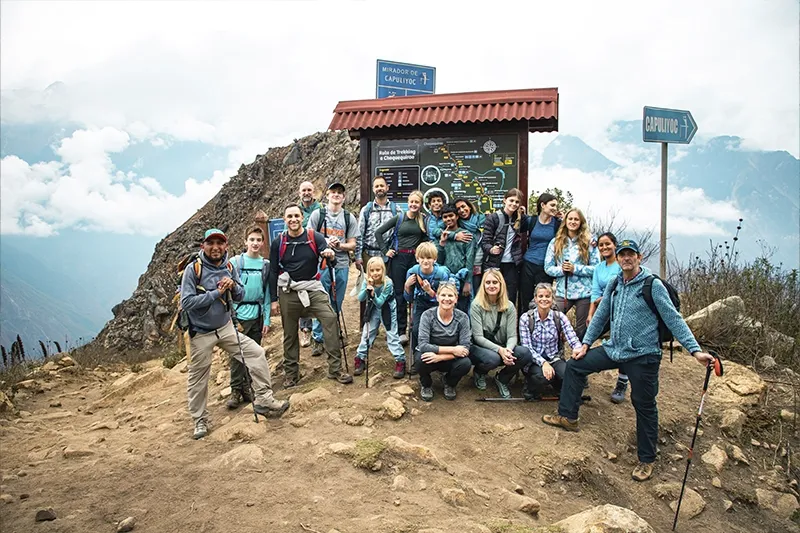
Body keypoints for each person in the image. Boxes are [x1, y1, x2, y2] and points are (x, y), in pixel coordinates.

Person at [541, 239, 715, 482]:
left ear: (639, 257)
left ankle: (646, 459)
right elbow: (601, 315)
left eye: (630, 254)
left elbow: (673, 319)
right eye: (622, 255)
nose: (626, 258)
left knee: (643, 403)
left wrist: (695, 351)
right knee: (576, 365)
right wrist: (586, 344)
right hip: (614, 349)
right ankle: (568, 416)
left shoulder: (651, 285)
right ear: (619, 258)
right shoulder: (615, 283)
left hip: (644, 355)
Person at [181, 228, 288, 439]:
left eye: (219, 243)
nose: (215, 248)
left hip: (225, 327)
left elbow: (240, 294)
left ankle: (264, 399)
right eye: (210, 243)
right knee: (198, 376)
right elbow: (186, 303)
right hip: (201, 332)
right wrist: (216, 293)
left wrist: (232, 286)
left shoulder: (229, 266)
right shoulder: (193, 270)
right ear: (203, 246)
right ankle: (199, 419)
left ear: (226, 246)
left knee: (256, 353)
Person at [270, 204, 353, 387]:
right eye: (289, 216)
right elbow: (273, 271)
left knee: (330, 318)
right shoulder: (278, 242)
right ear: (285, 219)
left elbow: (327, 253)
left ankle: (335, 369)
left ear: (302, 218)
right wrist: (273, 301)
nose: (293, 219)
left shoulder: (313, 236)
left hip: (312, 288)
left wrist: (329, 254)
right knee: (290, 332)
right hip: (288, 290)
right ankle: (291, 373)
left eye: (296, 216)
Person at [306, 182, 358, 356]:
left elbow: (352, 244)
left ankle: (332, 335)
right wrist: (324, 243)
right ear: (327, 195)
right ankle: (318, 338)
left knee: (337, 301)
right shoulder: (317, 214)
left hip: (341, 265)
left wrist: (340, 245)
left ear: (344, 197)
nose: (336, 195)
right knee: (320, 301)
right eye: (333, 192)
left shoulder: (349, 217)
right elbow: (308, 238)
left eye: (339, 193)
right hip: (320, 266)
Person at [226, 226, 272, 410]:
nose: (255, 243)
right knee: (237, 354)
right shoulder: (236, 262)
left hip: (257, 314)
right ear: (245, 241)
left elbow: (267, 293)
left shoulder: (265, 265)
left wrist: (267, 319)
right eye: (251, 239)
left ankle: (246, 388)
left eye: (258, 240)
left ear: (262, 243)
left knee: (253, 354)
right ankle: (235, 390)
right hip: (239, 315)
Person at [375, 189, 429, 345]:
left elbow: (425, 240)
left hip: (415, 260)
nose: (413, 204)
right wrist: (386, 251)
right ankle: (401, 331)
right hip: (399, 258)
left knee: (416, 292)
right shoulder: (399, 218)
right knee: (399, 294)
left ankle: (416, 328)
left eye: (416, 202)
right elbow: (378, 233)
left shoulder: (424, 220)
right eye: (411, 202)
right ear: (408, 203)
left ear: (421, 205)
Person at [469, 268, 533, 399]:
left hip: (503, 345)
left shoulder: (509, 306)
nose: (491, 285)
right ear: (483, 285)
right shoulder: (476, 305)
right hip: (481, 347)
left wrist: (508, 350)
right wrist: (500, 351)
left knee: (525, 354)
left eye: (495, 282)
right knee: (493, 358)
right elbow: (478, 337)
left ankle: (502, 378)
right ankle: (479, 372)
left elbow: (512, 336)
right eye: (488, 282)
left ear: (501, 285)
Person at [520, 283, 582, 400]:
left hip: (555, 358)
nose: (544, 299)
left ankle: (557, 384)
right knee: (541, 377)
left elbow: (572, 338)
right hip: (534, 361)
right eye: (541, 296)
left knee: (568, 375)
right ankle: (530, 387)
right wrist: (543, 363)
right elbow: (527, 347)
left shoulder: (559, 317)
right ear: (535, 299)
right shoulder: (526, 318)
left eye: (547, 296)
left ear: (552, 299)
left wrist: (578, 349)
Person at [544, 208, 599, 341]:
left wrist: (576, 269)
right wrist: (561, 270)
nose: (573, 222)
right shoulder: (555, 242)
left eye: (576, 219)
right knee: (554, 323)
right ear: (565, 221)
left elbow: (597, 268)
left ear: (581, 222)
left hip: (584, 293)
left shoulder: (589, 242)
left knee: (582, 330)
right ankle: (557, 355)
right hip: (563, 292)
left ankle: (580, 357)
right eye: (570, 219)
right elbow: (548, 267)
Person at [415, 282, 472, 401]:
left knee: (465, 363)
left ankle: (449, 382)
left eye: (450, 296)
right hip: (432, 354)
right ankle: (426, 384)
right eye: (443, 295)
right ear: (437, 297)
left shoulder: (463, 318)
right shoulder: (427, 315)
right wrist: (453, 350)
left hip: (449, 358)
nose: (447, 299)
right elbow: (423, 345)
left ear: (456, 299)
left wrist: (440, 357)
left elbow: (465, 347)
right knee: (420, 359)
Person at [587, 233, 627, 403]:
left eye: (607, 244)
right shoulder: (599, 268)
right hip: (603, 311)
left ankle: (622, 382)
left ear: (614, 245)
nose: (604, 248)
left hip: (621, 311)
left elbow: (622, 289)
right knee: (584, 335)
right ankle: (581, 374)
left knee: (621, 344)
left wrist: (604, 298)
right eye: (601, 245)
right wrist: (590, 314)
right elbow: (595, 291)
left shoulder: (621, 265)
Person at [355, 257, 406, 379]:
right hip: (372, 309)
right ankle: (360, 357)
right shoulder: (367, 281)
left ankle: (400, 360)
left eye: (378, 270)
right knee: (368, 333)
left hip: (387, 308)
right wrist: (367, 288)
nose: (375, 273)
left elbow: (380, 302)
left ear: (383, 270)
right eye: (372, 270)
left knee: (391, 334)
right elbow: (360, 298)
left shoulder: (387, 283)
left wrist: (373, 295)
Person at [403, 242, 454, 366]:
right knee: (416, 329)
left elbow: (446, 299)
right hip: (420, 303)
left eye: (429, 258)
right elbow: (408, 299)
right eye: (422, 258)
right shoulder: (412, 272)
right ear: (417, 259)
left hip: (438, 305)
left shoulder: (441, 274)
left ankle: (439, 356)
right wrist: (407, 286)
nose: (425, 261)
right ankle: (417, 357)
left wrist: (430, 291)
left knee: (437, 331)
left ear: (435, 259)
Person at [481, 189, 525, 305]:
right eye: (511, 200)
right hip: (495, 263)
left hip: (512, 264)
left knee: (510, 298)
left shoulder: (520, 219)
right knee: (492, 297)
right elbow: (485, 241)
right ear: (504, 200)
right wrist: (491, 249)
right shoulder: (494, 218)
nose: (514, 204)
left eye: (517, 202)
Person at [519, 192, 561, 312]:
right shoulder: (531, 221)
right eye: (552, 205)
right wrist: (520, 214)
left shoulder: (557, 224)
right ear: (543, 205)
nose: (554, 208)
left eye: (555, 206)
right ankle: (524, 327)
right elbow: (515, 227)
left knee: (543, 300)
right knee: (526, 299)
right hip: (528, 264)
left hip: (546, 267)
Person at [437, 204, 476, 314]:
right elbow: (439, 261)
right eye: (445, 217)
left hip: (462, 279)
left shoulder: (466, 235)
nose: (448, 219)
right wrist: (442, 244)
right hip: (445, 278)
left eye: (451, 216)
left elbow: (470, 259)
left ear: (457, 216)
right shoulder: (442, 235)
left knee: (462, 310)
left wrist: (468, 282)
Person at [355, 176, 399, 267]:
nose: (379, 188)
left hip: (388, 256)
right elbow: (359, 235)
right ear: (373, 189)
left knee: (387, 281)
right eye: (377, 186)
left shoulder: (396, 209)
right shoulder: (367, 209)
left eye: (382, 186)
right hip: (368, 255)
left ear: (387, 187)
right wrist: (358, 256)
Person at [298, 181, 321, 348]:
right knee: (302, 292)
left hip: (319, 255)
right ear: (300, 193)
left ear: (314, 192)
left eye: (309, 190)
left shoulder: (321, 209)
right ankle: (306, 330)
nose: (306, 193)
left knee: (320, 291)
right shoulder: (295, 211)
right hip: (300, 256)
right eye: (303, 190)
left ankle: (321, 329)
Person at [453, 198, 485, 295]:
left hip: (483, 263)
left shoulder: (482, 219)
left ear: (469, 207)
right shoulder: (457, 225)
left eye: (463, 206)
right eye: (458, 209)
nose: (462, 210)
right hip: (466, 266)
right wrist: (454, 236)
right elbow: (438, 231)